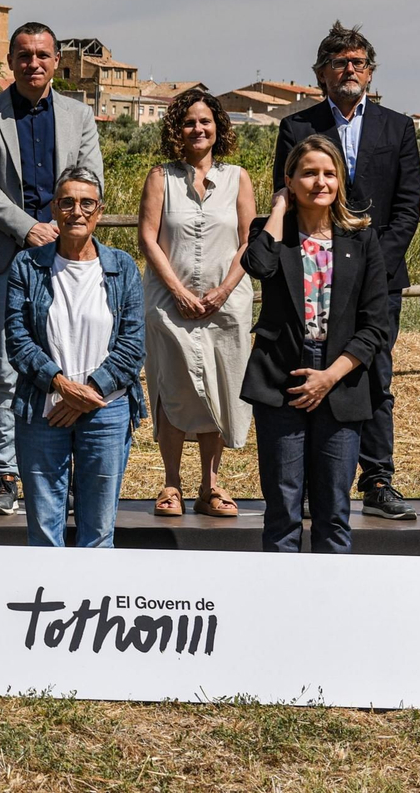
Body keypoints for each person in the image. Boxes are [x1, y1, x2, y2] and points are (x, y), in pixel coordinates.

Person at [273, 22, 420, 521]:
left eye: (357, 62)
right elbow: (288, 201)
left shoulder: (396, 127)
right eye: (339, 63)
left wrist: (369, 269)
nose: (349, 69)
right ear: (321, 73)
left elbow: (406, 208)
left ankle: (378, 480)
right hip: (312, 278)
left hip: (376, 281)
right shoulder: (296, 128)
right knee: (311, 373)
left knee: (373, 376)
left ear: (370, 71)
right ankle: (318, 485)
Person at [0, 22, 103, 515]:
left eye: (43, 54)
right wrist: (29, 229)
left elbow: (91, 180)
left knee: (68, 364)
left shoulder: (79, 115)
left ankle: (62, 478)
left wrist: (62, 231)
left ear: (55, 60)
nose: (34, 63)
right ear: (10, 60)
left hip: (70, 259)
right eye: (24, 55)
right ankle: (4, 473)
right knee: (5, 367)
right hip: (9, 255)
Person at [243, 136, 390, 554]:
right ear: (290, 179)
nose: (320, 182)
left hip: (340, 380)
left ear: (340, 180)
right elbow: (258, 265)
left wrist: (329, 376)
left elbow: (375, 326)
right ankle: (283, 610)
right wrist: (277, 210)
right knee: (283, 510)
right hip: (281, 380)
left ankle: (331, 612)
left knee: (333, 511)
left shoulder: (362, 240)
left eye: (329, 173)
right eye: (308, 173)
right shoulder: (270, 233)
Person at [5, 166, 145, 548]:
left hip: (106, 409)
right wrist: (62, 386)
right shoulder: (28, 265)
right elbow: (17, 340)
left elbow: (133, 347)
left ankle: (91, 605)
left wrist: (87, 395)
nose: (76, 211)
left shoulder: (123, 268)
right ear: (54, 208)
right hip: (44, 406)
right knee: (44, 531)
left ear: (99, 211)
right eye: (67, 202)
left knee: (98, 533)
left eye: (87, 203)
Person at [138, 89, 255, 518]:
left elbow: (248, 241)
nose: (198, 129)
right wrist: (178, 291)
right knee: (172, 387)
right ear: (177, 129)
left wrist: (223, 290)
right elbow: (148, 239)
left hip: (225, 304)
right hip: (171, 304)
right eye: (189, 122)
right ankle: (171, 483)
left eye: (205, 121)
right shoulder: (160, 177)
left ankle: (210, 485)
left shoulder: (237, 177)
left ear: (218, 127)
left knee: (219, 391)